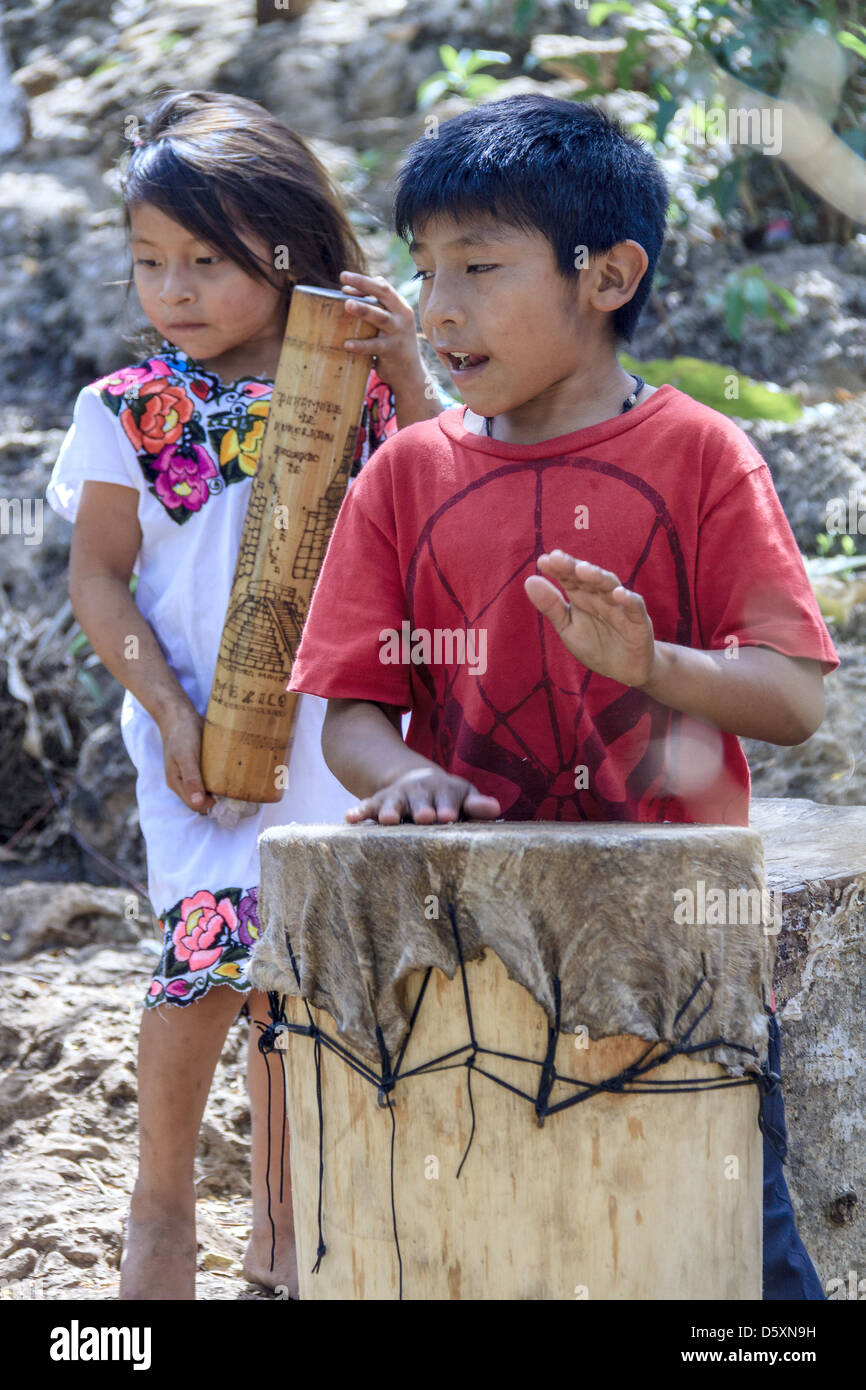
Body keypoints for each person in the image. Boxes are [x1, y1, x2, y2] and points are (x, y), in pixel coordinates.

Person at [285, 94, 840, 1299]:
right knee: (486, 1252)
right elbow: (351, 716)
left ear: (608, 275)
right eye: (425, 270)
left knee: (735, 1260)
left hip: (676, 959)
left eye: (479, 267)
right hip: (458, 968)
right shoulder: (403, 477)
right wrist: (406, 777)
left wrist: (654, 667)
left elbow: (793, 699)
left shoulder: (701, 455)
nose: (437, 308)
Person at [44, 88, 443, 1300]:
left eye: (204, 260)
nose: (171, 289)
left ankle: (280, 1234)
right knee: (207, 954)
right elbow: (100, 577)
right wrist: (169, 712)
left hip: (353, 727)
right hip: (206, 741)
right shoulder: (127, 412)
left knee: (310, 972)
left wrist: (412, 375)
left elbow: (446, 503)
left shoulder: (368, 386)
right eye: (148, 263)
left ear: (285, 248)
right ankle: (160, 1204)